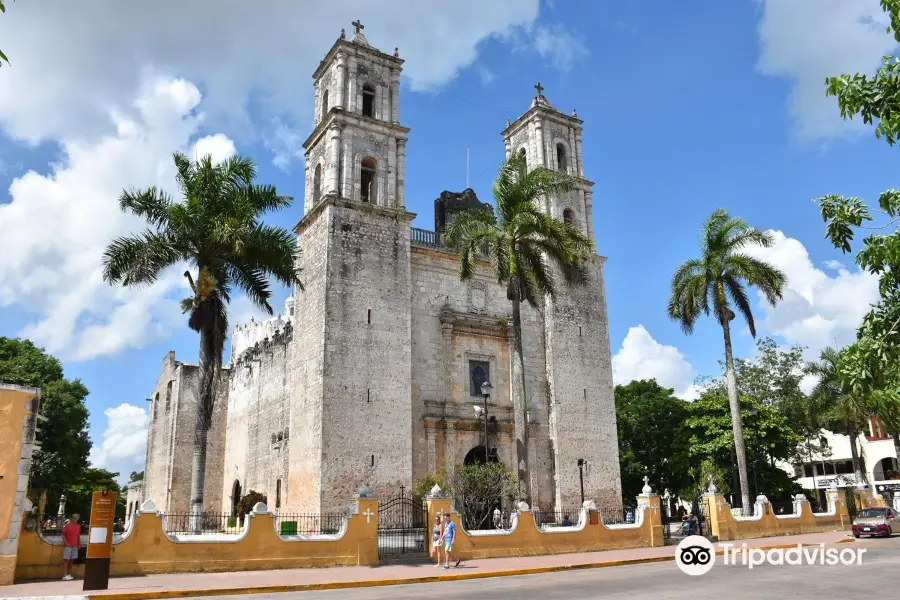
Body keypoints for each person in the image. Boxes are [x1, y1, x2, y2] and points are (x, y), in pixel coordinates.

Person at [61, 513, 81, 581]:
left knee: (72, 560)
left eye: (77, 518)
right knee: (66, 560)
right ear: (72, 518)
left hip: (75, 545)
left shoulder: (78, 526)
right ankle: (65, 575)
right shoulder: (66, 526)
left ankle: (68, 574)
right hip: (68, 546)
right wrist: (66, 543)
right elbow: (63, 535)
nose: (76, 520)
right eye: (75, 518)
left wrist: (79, 544)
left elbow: (78, 535)